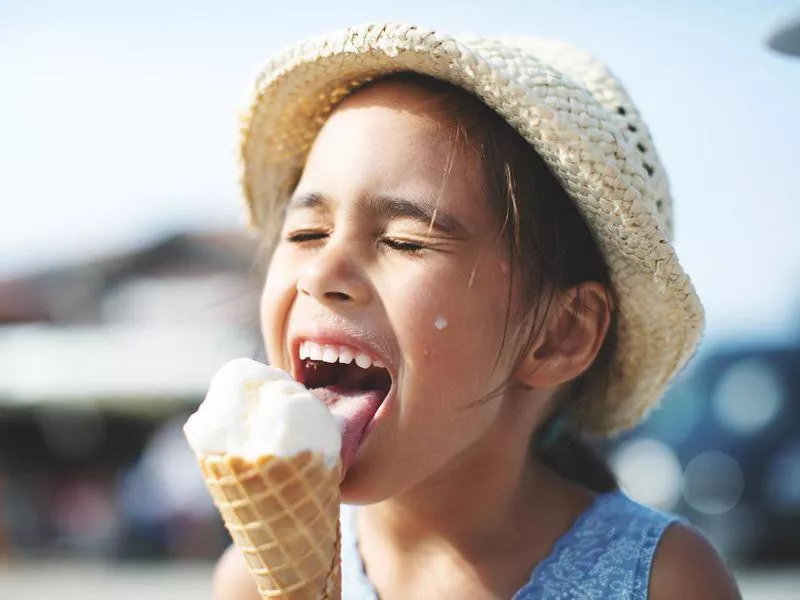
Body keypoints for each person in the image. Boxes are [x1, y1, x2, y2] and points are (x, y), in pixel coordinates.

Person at [213, 22, 741, 599]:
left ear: (558, 335)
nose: (320, 275)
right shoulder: (249, 582)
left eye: (404, 241)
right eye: (308, 232)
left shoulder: (668, 580)